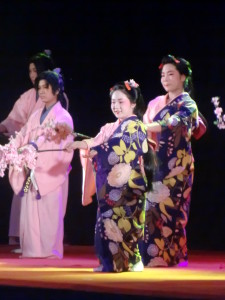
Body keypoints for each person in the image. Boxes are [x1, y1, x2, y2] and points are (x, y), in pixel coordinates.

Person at [65, 79, 156, 272]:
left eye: (120, 101)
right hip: (111, 187)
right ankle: (110, 262)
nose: (115, 106)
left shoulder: (136, 126)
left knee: (127, 224)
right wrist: (85, 145)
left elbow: (119, 147)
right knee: (107, 225)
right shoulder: (109, 127)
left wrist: (94, 148)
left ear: (133, 103)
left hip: (129, 187)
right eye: (113, 102)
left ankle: (132, 261)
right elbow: (96, 143)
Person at [0, 50, 69, 247]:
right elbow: (19, 125)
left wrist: (35, 145)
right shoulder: (31, 101)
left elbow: (57, 132)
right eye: (30, 71)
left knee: (48, 209)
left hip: (49, 163)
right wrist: (13, 147)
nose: (32, 76)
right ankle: (29, 244)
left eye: (35, 71)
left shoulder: (60, 108)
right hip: (30, 160)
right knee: (28, 206)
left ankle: (48, 247)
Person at [141, 54, 204, 267]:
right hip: (157, 163)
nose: (165, 79)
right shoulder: (158, 102)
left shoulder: (188, 103)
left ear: (183, 77)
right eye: (162, 75)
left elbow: (173, 122)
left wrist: (147, 127)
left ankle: (173, 257)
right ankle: (156, 257)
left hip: (178, 166)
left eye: (171, 74)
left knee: (173, 212)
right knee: (152, 210)